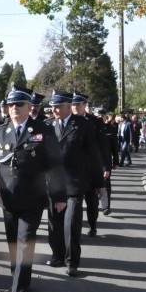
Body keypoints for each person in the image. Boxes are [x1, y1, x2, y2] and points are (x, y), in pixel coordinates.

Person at [0, 87, 66, 292]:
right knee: (13, 244)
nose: (14, 109)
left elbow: (55, 166)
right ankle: (19, 278)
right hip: (8, 199)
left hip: (33, 199)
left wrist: (59, 196)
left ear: (30, 107)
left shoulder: (42, 130)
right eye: (11, 105)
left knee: (24, 243)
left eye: (19, 105)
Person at [46, 91, 105, 277]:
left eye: (57, 106)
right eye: (52, 107)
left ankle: (72, 261)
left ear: (67, 106)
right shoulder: (48, 125)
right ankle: (57, 255)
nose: (54, 110)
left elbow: (94, 155)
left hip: (75, 183)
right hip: (54, 184)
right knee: (54, 223)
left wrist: (99, 183)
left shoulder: (83, 125)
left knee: (71, 223)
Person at [71, 93, 111, 237]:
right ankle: (75, 229)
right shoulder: (68, 121)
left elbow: (102, 147)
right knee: (74, 203)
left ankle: (92, 225)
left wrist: (106, 167)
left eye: (78, 105)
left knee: (92, 201)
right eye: (73, 105)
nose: (75, 107)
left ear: (85, 105)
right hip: (74, 171)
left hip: (91, 169)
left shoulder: (95, 122)